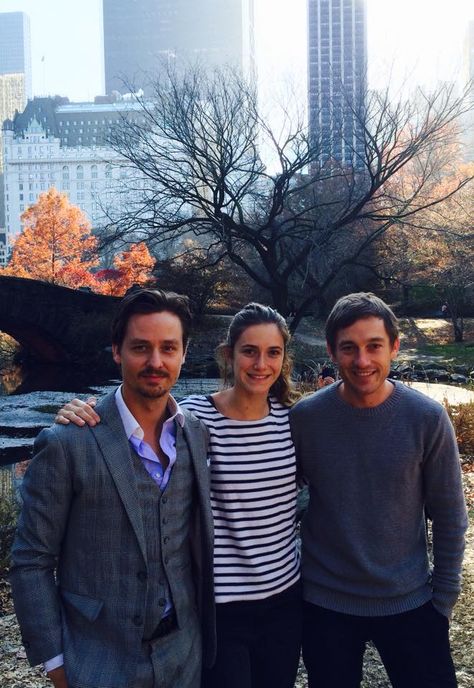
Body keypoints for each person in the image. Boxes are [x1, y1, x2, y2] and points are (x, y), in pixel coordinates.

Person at [56, 303, 302, 688]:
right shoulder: (193, 419)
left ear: (284, 357)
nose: (261, 364)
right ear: (228, 354)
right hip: (220, 606)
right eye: (249, 351)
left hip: (286, 597)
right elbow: (136, 417)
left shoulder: (294, 421)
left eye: (273, 352)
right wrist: (79, 412)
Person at [10, 289, 216, 688]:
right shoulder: (67, 442)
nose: (155, 362)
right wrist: (56, 664)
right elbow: (31, 560)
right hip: (98, 661)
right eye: (141, 347)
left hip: (184, 656)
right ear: (117, 352)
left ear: (184, 354)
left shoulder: (196, 433)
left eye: (168, 348)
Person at [290, 292, 468, 688]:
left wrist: (443, 600)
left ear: (395, 347)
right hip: (326, 603)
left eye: (374, 346)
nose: (362, 361)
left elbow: (451, 516)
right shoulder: (306, 419)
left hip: (411, 600)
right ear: (333, 352)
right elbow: (284, 498)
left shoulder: (426, 418)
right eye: (349, 348)